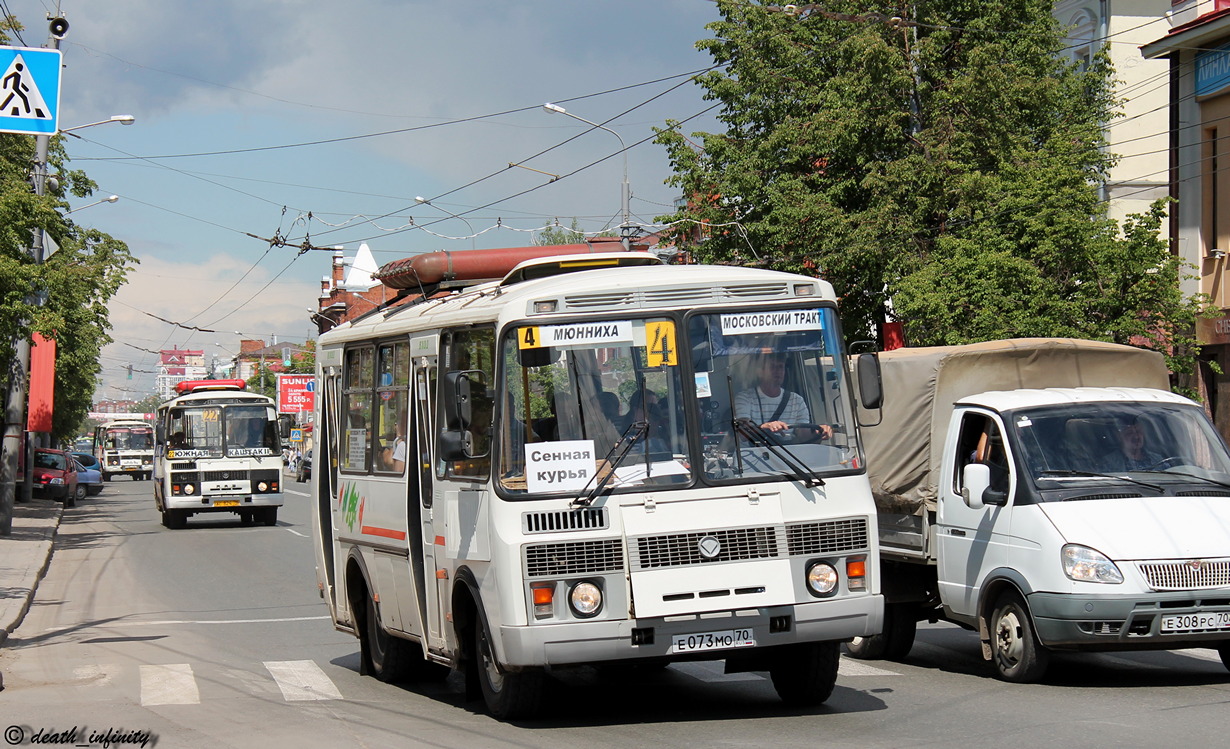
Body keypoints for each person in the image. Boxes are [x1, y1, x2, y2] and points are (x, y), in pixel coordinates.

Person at [734, 353, 832, 442]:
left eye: (780, 367)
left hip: (788, 455)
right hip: (753, 456)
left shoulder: (797, 400)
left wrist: (820, 431)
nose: (777, 371)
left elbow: (802, 435)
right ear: (760, 372)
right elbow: (743, 432)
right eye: (772, 367)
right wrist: (765, 427)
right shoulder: (745, 398)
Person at [1100, 415, 1165, 471]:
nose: (1136, 436)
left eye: (1139, 431)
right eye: (1129, 433)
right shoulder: (1109, 463)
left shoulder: (1158, 460)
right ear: (1119, 436)